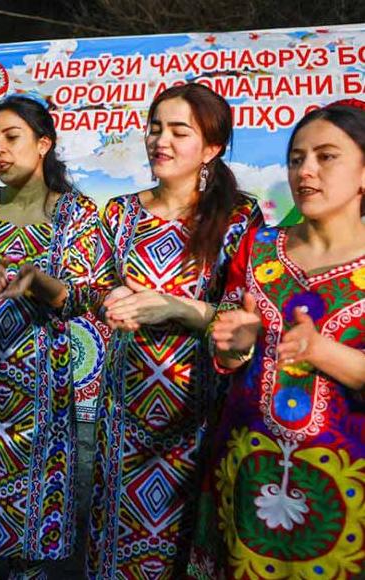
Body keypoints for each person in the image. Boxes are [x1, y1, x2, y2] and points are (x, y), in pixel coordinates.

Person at [0, 96, 115, 577]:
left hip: (39, 399)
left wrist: (38, 282)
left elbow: (87, 296)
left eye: (12, 137)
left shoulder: (75, 213)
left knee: (29, 535)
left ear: (43, 143)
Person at [86, 83, 261, 578]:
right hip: (122, 420)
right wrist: (109, 301)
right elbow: (97, 288)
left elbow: (237, 316)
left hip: (198, 418)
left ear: (211, 148)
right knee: (114, 550)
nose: (160, 140)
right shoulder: (119, 213)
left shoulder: (239, 216)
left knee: (188, 553)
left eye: (179, 131)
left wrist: (174, 308)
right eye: (155, 127)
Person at [187, 100, 365, 579]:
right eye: (296, 158)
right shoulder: (260, 245)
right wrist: (235, 342)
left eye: (327, 157)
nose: (306, 170)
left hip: (348, 496)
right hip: (249, 476)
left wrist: (323, 351)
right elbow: (227, 344)